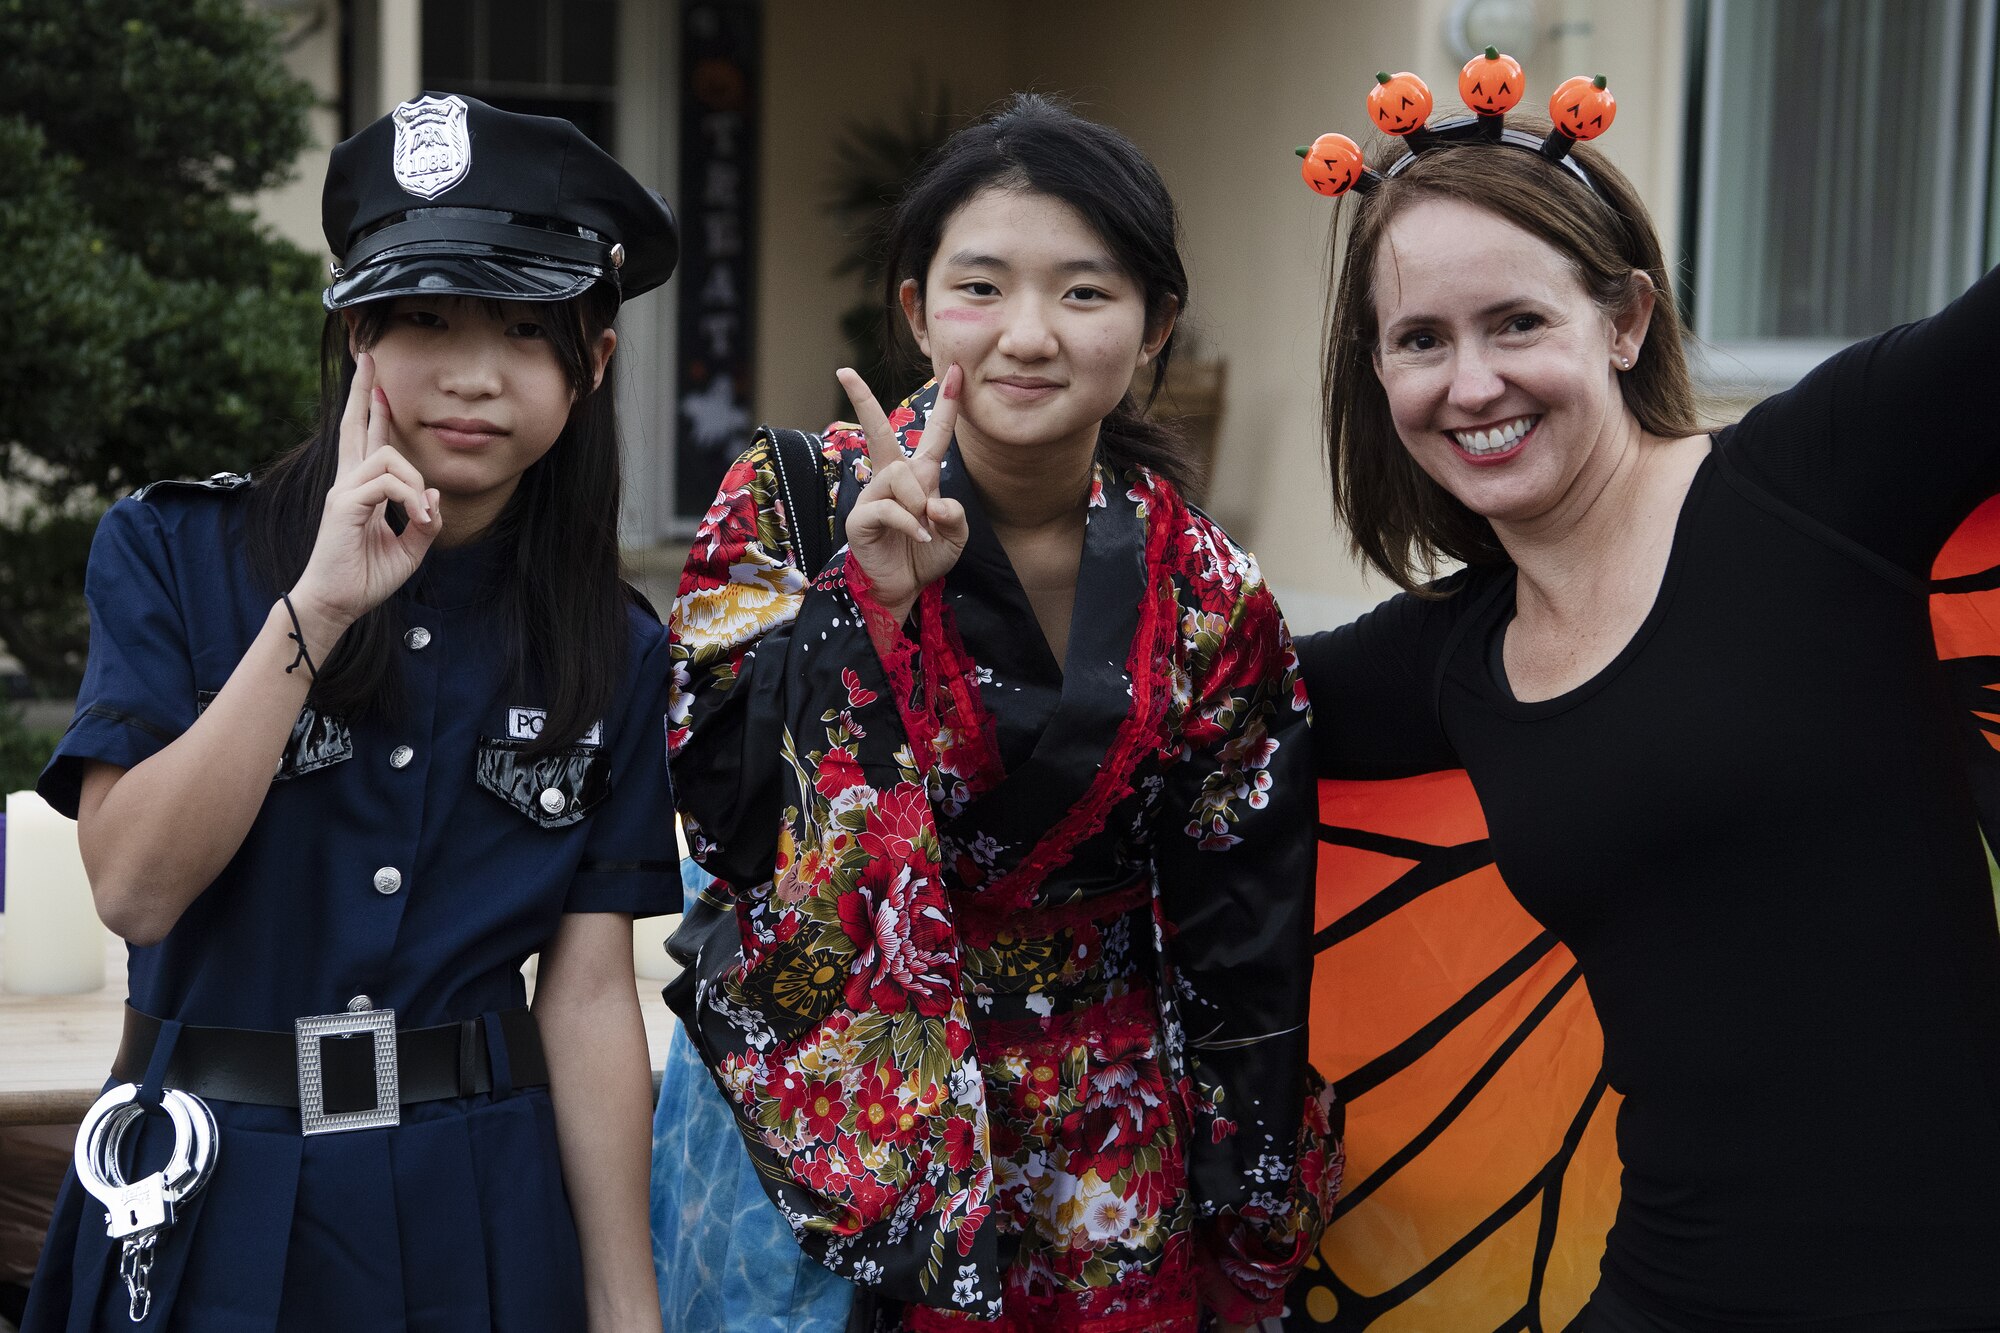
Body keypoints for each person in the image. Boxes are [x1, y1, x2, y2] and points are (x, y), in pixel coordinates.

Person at [1296, 84, 2000, 1331]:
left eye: (1516, 321)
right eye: (1420, 340)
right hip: (1673, 1293)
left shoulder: (1818, 483)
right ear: (1376, 369)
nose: (1470, 384)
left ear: (1623, 318)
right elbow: (1146, 706)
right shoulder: (1448, 662)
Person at [660, 94, 1340, 1331]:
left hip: (1105, 1131)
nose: (1029, 335)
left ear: (1152, 327)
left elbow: (1245, 928)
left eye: (1084, 292)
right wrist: (856, 610)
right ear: (917, 311)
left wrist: (1248, 1211)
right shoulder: (795, 505)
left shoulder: (1207, 591)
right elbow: (723, 814)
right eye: (982, 288)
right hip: (843, 1110)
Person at [23, 93, 680, 1332]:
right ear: (355, 332)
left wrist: (625, 1308)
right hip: (208, 1184)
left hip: (480, 1204)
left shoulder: (612, 641)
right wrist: (316, 612)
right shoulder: (173, 550)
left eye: (527, 329)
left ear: (589, 364)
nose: (475, 373)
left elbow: (588, 997)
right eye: (425, 319)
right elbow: (135, 890)